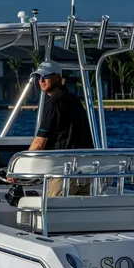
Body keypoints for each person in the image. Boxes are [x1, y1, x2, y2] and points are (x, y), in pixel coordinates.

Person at [27, 60, 94, 196]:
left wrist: (22, 167)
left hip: (65, 171)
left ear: (57, 77)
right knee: (78, 214)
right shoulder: (72, 99)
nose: (41, 80)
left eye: (45, 76)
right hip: (86, 170)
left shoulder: (54, 102)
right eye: (38, 77)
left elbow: (40, 142)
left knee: (50, 211)